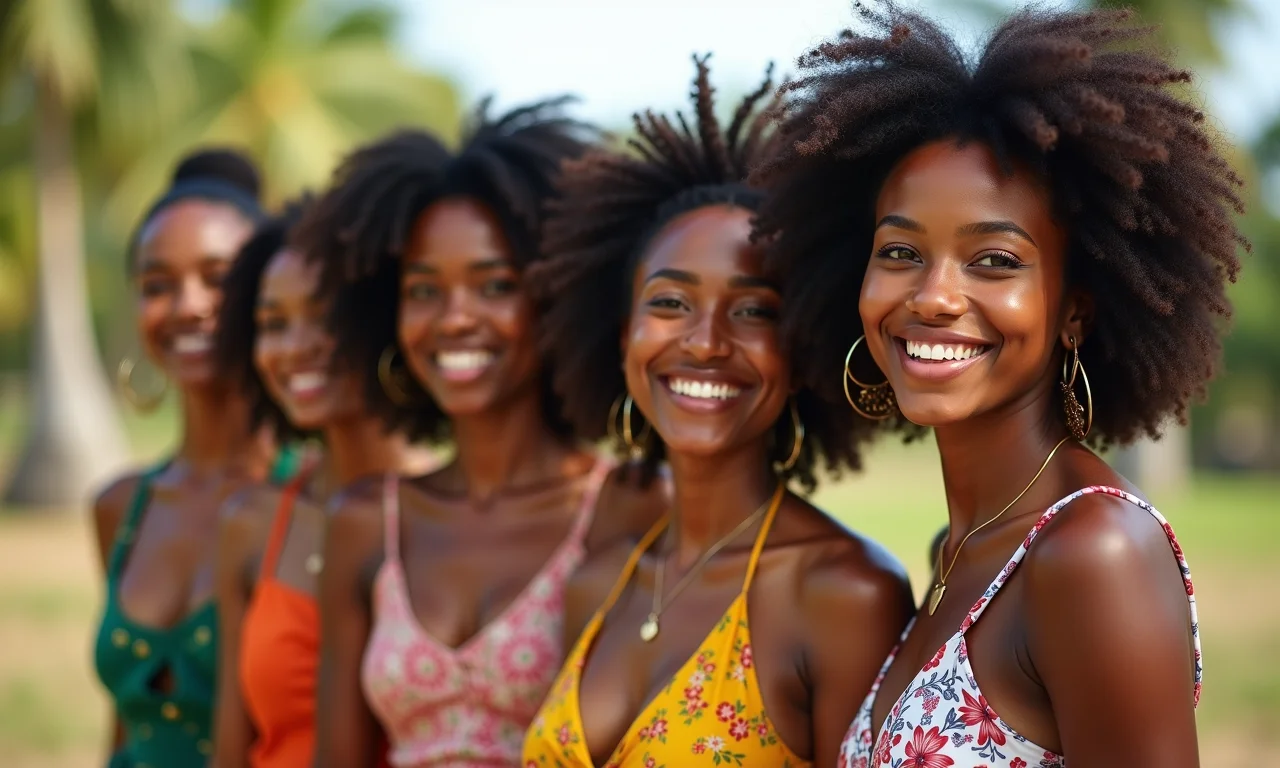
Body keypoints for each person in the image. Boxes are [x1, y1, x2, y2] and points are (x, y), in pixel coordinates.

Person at [753, 4, 1244, 765]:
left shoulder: (1094, 554)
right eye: (900, 252)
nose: (934, 297)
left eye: (995, 261)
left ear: (1075, 309)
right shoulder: (958, 549)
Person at [521, 56, 914, 767]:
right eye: (670, 302)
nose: (704, 342)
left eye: (753, 310)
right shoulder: (597, 582)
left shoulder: (845, 593)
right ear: (623, 337)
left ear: (800, 351)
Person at [300, 100, 663, 768]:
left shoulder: (630, 509)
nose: (455, 318)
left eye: (494, 285)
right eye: (424, 290)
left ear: (557, 298)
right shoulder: (366, 520)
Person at [209, 199, 436, 768]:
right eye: (273, 324)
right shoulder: (252, 523)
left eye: (326, 317)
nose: (294, 347)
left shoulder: (452, 515)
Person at [93, 149, 301, 768]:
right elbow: (124, 728)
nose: (187, 305)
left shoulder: (309, 502)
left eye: (218, 278)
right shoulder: (120, 507)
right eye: (157, 286)